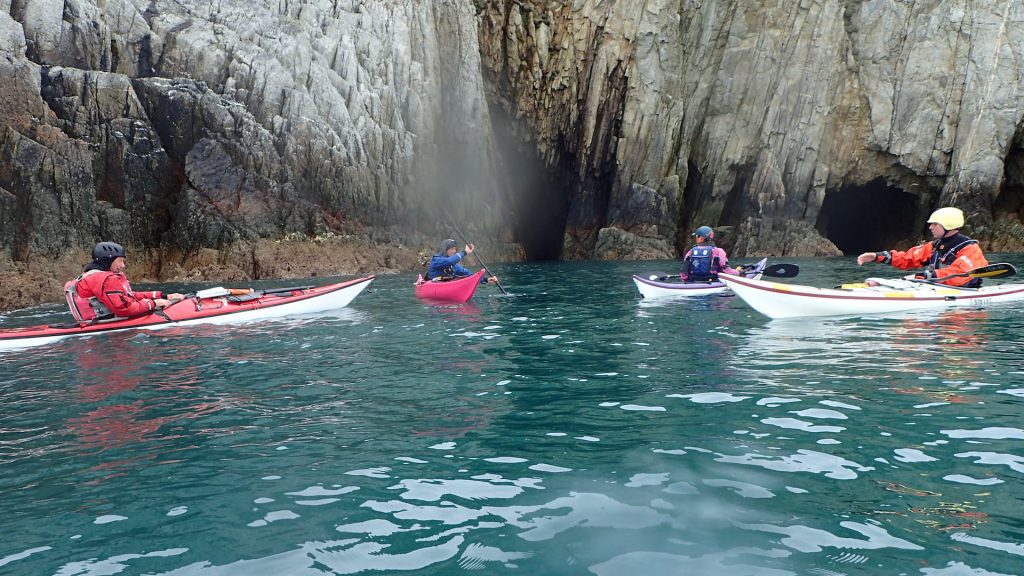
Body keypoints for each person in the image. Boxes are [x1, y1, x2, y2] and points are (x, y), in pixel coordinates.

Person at [856, 207, 989, 287]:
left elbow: (958, 275)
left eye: (935, 224)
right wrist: (876, 256)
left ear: (948, 226)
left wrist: (919, 277)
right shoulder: (935, 245)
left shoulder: (970, 248)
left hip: (962, 297)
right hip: (934, 287)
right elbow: (908, 258)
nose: (930, 227)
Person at [64, 241, 185, 322]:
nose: (123, 266)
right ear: (107, 260)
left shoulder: (91, 275)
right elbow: (124, 309)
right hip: (108, 324)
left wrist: (163, 296)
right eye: (120, 261)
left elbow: (129, 296)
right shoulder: (107, 279)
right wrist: (153, 304)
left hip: (94, 322)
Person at [424, 239, 500, 284]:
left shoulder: (453, 266)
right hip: (432, 285)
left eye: (455, 249)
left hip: (445, 285)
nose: (455, 251)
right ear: (445, 249)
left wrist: (486, 279)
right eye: (452, 249)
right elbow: (449, 261)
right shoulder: (436, 260)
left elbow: (469, 274)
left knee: (464, 274)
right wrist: (465, 252)